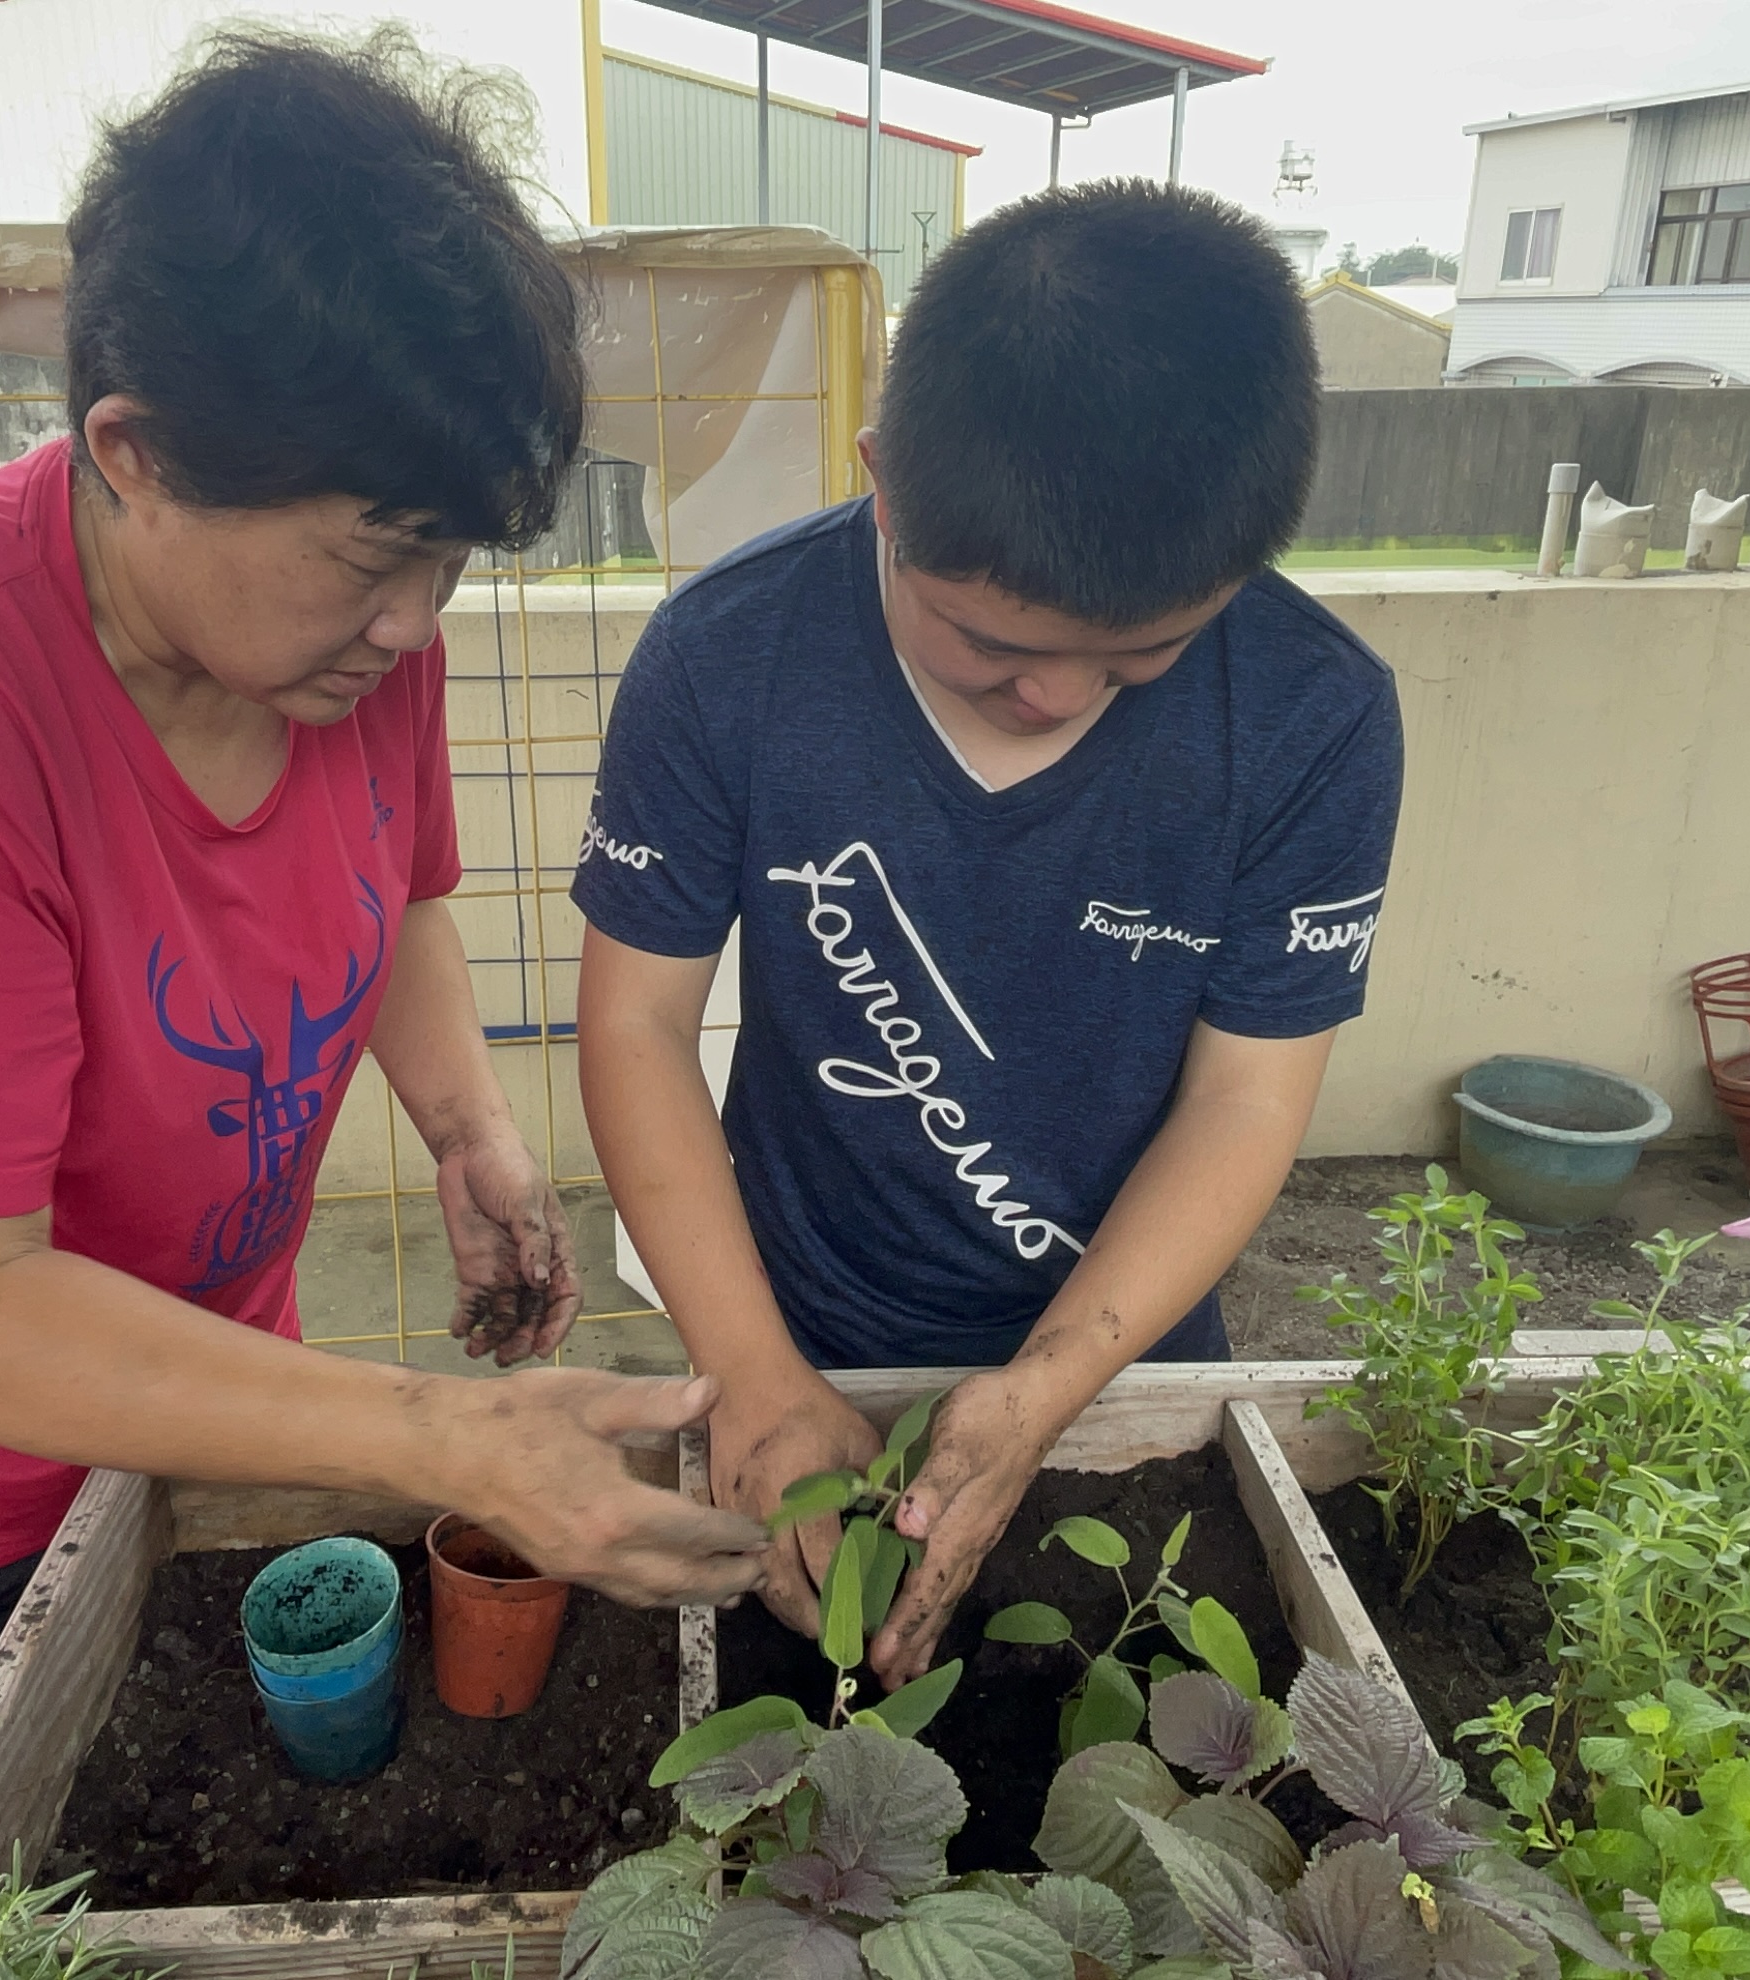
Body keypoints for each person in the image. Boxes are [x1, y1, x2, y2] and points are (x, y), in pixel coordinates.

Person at [0, 30, 764, 1922]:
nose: (411, 624)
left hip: (177, 1362)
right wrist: (440, 1432)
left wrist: (468, 1124)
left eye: (449, 559)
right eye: (374, 558)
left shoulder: (355, 649)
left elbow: (399, 902)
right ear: (130, 453)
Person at [572, 181, 1402, 1695]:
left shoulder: (1310, 714)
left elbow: (1246, 1097)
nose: (1057, 701)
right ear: (884, 481)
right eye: (995, 647)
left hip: (1128, 1362)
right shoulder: (730, 655)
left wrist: (1051, 1389)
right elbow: (633, 1027)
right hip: (800, 1326)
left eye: (1141, 658)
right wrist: (755, 1381)